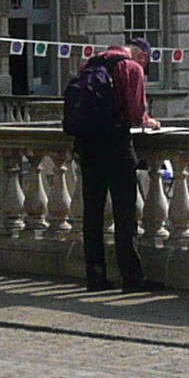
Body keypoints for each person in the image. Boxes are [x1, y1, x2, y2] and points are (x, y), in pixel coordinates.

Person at [60, 39, 158, 291]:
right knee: (125, 212)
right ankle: (132, 277)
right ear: (143, 57)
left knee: (93, 212)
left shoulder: (89, 64)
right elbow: (136, 114)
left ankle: (95, 275)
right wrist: (149, 121)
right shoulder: (131, 68)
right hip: (116, 144)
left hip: (87, 144)